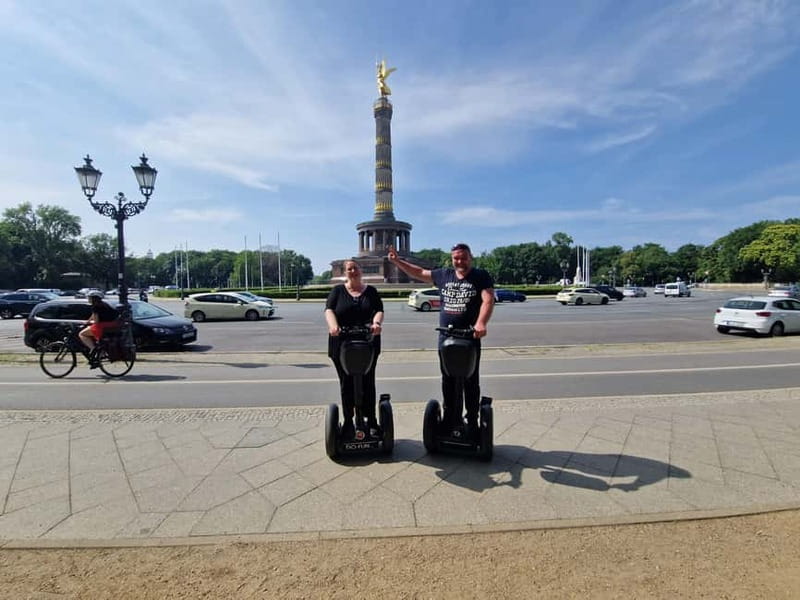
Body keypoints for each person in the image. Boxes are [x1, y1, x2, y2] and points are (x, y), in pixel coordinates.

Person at [388, 243, 494, 437]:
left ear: (470, 257)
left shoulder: (480, 276)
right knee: (448, 381)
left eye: (463, 257)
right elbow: (418, 272)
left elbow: (488, 300)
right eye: (456, 258)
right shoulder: (443, 275)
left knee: (471, 381)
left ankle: (472, 421)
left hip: (469, 337)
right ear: (451, 259)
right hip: (446, 338)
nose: (460, 261)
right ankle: (449, 419)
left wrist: (481, 323)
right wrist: (397, 261)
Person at [325, 260, 385, 439]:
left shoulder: (371, 291)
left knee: (368, 381)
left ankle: (372, 420)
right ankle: (349, 420)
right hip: (342, 343)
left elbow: (379, 310)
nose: (353, 271)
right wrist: (334, 327)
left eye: (355, 268)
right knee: (346, 384)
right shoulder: (337, 291)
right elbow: (329, 310)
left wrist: (376, 323)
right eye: (349, 269)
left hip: (367, 342)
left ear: (361, 270)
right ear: (345, 272)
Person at [78, 291, 120, 368]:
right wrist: (87, 322)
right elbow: (93, 315)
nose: (88, 299)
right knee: (89, 331)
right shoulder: (103, 304)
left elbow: (96, 321)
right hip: (110, 325)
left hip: (102, 326)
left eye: (89, 298)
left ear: (94, 299)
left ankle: (93, 349)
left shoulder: (95, 307)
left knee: (81, 334)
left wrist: (88, 324)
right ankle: (100, 352)